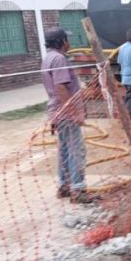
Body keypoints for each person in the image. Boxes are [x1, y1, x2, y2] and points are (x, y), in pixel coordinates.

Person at [41, 27, 95, 203]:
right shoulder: (59, 59)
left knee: (65, 149)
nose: (68, 42)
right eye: (66, 39)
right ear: (61, 42)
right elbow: (61, 87)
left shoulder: (48, 57)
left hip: (57, 112)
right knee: (76, 150)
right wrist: (74, 113)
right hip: (65, 114)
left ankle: (64, 186)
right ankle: (78, 190)